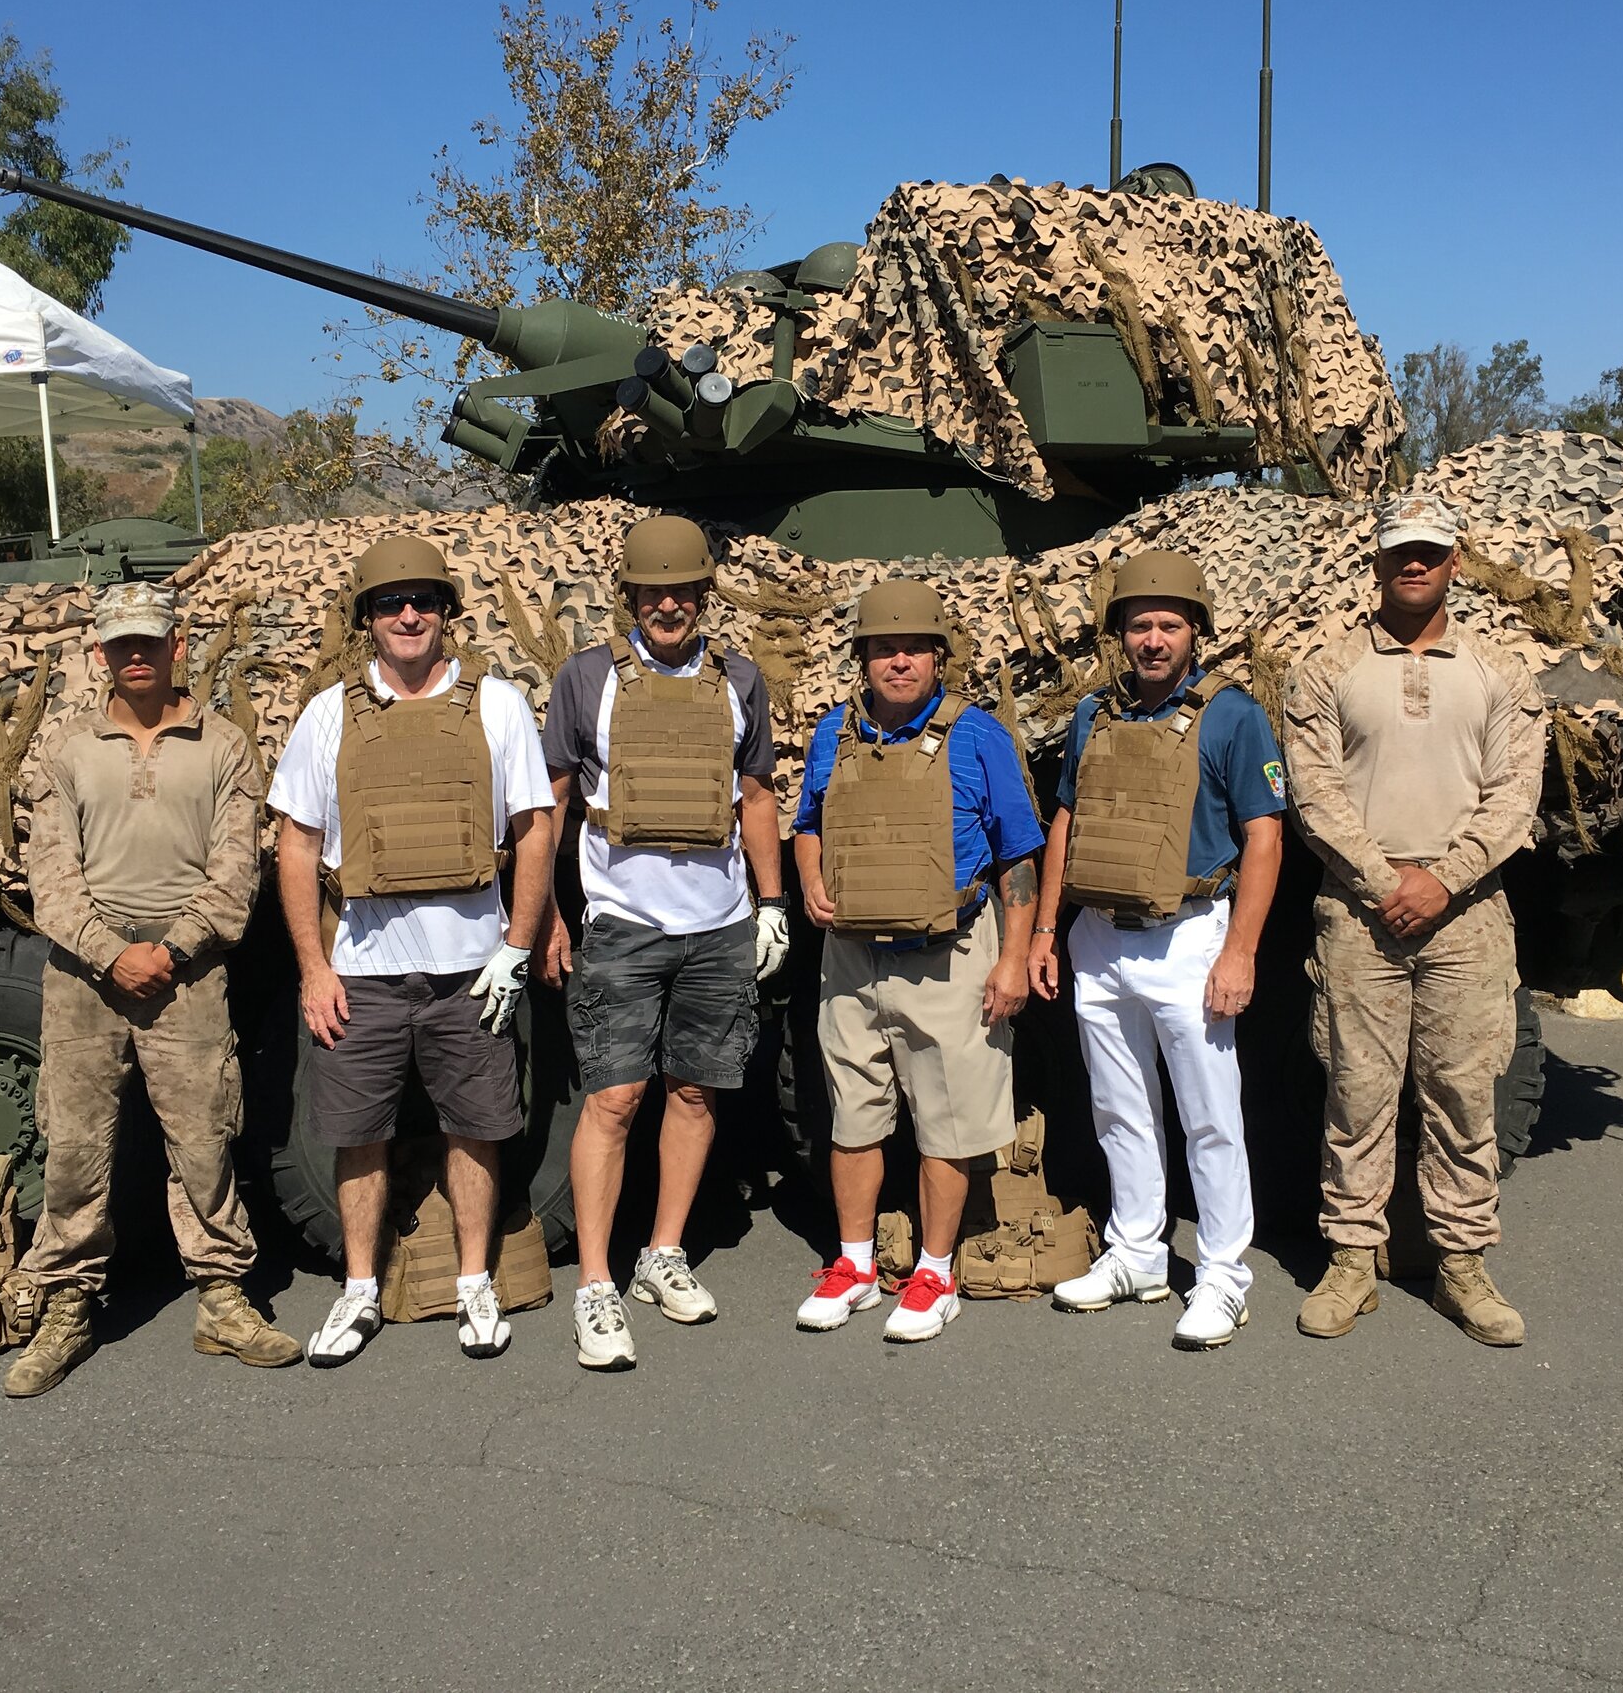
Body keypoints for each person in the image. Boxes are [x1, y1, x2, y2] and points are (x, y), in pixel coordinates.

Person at [270, 537, 555, 1367]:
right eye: (391, 603)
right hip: (362, 969)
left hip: (472, 969)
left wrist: (515, 946)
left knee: (477, 1127)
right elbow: (296, 847)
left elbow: (534, 832)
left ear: (445, 613)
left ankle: (474, 1282)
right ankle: (360, 1289)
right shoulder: (329, 713)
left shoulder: (497, 706)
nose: (408, 615)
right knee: (359, 1134)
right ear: (367, 619)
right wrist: (314, 969)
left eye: (424, 601)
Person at [6, 581, 295, 1398]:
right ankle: (67, 1302)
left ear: (177, 645)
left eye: (151, 641)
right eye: (121, 642)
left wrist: (167, 949)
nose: (137, 654)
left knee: (204, 1141)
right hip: (83, 977)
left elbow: (236, 871)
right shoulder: (66, 749)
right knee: (73, 1145)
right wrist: (110, 952)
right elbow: (51, 877)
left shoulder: (225, 746)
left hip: (189, 973)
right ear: (100, 651)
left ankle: (222, 1297)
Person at [1284, 493, 1546, 1347]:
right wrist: (1379, 876)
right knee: (1356, 1093)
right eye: (1401, 551)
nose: (1415, 564)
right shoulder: (1324, 667)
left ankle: (1461, 1263)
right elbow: (1313, 790)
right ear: (1378, 561)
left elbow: (1516, 796)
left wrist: (1444, 878)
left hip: (1466, 914)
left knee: (1463, 1093)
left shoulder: (1501, 669)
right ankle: (1353, 1259)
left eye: (1431, 551)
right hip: (1359, 914)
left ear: (1454, 562)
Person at [537, 516, 789, 1373]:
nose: (669, 604)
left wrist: (772, 903)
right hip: (622, 923)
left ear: (702, 596)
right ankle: (596, 1286)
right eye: (653, 591)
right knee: (613, 1100)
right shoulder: (586, 680)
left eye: (683, 591)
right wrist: (549, 914)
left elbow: (756, 799)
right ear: (632, 598)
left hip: (718, 923)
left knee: (695, 1092)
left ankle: (662, 1252)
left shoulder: (741, 681)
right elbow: (554, 805)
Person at [1027, 549, 1285, 1351]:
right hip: (1100, 936)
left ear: (1195, 631)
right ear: (1120, 635)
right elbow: (1065, 817)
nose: (1153, 638)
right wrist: (1045, 927)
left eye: (1169, 623)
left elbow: (1265, 836)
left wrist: (1240, 951)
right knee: (1118, 1106)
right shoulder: (1093, 714)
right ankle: (1137, 1250)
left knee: (1210, 1118)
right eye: (1139, 624)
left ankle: (1223, 1277)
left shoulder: (1233, 714)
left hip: (1190, 936)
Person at [791, 580, 1044, 1344]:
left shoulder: (979, 736)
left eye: (913, 648)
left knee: (948, 1122)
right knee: (854, 1115)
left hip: (951, 954)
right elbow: (806, 823)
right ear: (862, 657)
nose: (898, 660)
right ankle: (855, 1264)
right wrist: (809, 879)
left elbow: (1019, 852)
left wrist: (1014, 957)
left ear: (939, 656)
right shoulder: (833, 734)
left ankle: (935, 1272)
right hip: (851, 958)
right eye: (882, 647)